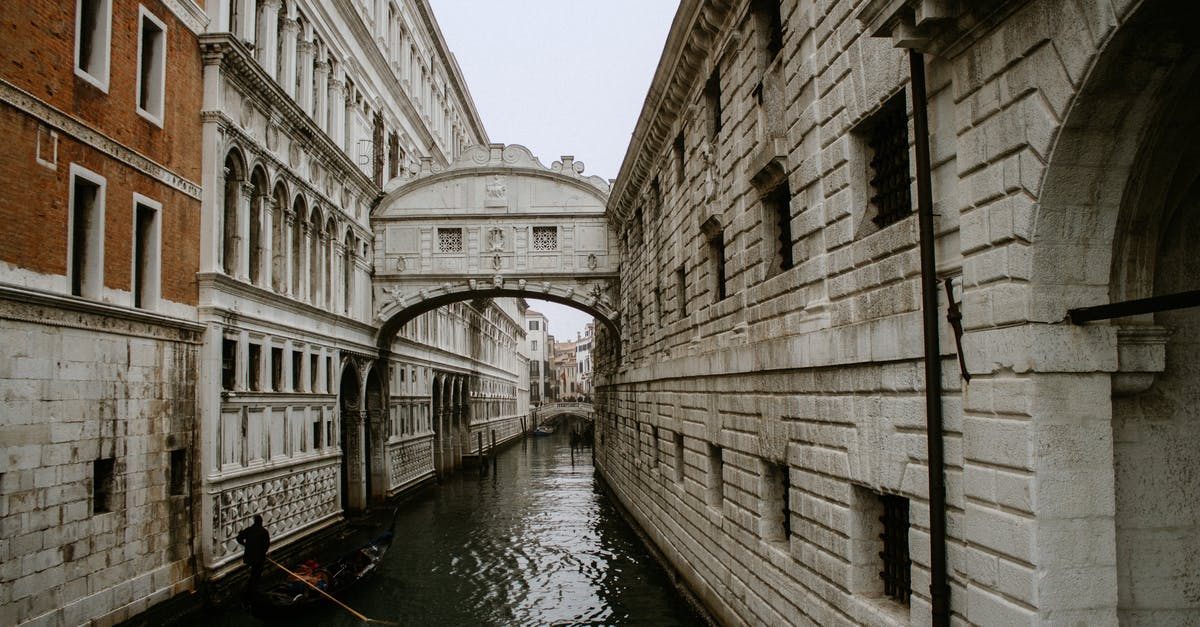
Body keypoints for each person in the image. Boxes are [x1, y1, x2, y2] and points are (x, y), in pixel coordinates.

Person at [236, 514, 271, 602]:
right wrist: (263, 552)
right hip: (259, 557)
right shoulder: (264, 532)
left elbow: (239, 538)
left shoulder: (249, 530)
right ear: (261, 522)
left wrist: (246, 545)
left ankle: (250, 592)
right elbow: (266, 545)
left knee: (253, 573)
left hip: (249, 557)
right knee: (256, 574)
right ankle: (252, 592)